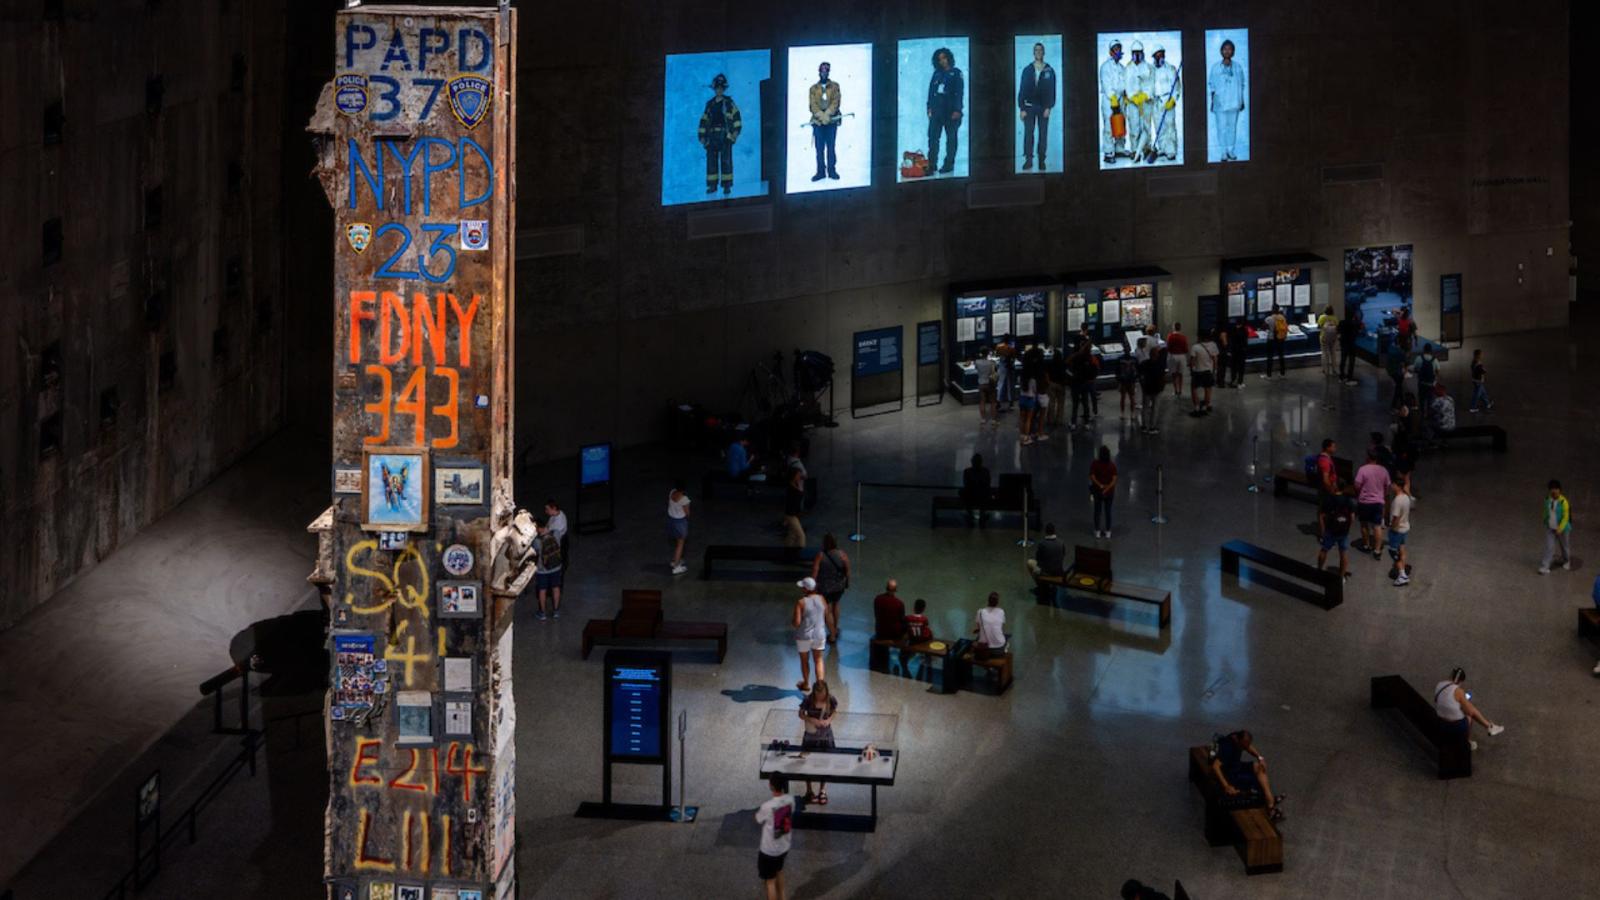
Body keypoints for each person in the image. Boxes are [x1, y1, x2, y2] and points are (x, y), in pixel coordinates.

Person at [1210, 730, 1284, 821]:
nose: (1245, 748)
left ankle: (1269, 799)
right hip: (1229, 774)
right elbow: (1215, 766)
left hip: (1236, 765)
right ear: (1238, 741)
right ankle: (1270, 806)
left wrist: (1260, 757)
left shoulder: (1237, 736)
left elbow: (1248, 747)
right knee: (1254, 781)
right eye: (1243, 746)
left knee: (1259, 767)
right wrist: (1226, 786)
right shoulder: (1228, 748)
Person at [1434, 668, 1506, 751]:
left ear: (1450, 676)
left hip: (1440, 721)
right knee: (1469, 713)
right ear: (1461, 681)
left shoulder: (1439, 684)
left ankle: (1489, 726)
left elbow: (1438, 700)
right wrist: (1464, 701)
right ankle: (1468, 740)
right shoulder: (1459, 691)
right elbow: (1470, 712)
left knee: (1462, 706)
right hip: (1453, 726)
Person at [698, 73, 742, 195]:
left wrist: (736, 131)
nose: (719, 90)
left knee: (726, 161)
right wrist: (702, 136)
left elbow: (736, 116)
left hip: (725, 135)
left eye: (721, 88)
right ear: (714, 88)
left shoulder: (729, 102)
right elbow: (704, 120)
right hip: (712, 136)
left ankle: (727, 186)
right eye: (717, 88)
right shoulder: (710, 104)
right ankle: (712, 186)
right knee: (711, 161)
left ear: (724, 89)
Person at [797, 680, 838, 805]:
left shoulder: (830, 699)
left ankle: (822, 790)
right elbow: (800, 713)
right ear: (814, 693)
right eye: (818, 694)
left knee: (825, 761)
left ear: (826, 691)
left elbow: (835, 712)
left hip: (826, 735)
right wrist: (812, 719)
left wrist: (829, 720)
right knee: (806, 762)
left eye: (823, 694)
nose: (821, 696)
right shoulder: (809, 700)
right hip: (811, 735)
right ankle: (809, 790)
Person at [1017, 42, 1056, 170]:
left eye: (1040, 50)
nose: (1038, 52)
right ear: (1033, 53)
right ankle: (1028, 160)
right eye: (1036, 50)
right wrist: (1022, 108)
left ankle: (1041, 160)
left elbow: (1052, 90)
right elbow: (1022, 89)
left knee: (1043, 134)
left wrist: (1049, 107)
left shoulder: (1049, 70)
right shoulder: (1027, 70)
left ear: (1043, 52)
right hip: (1029, 106)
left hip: (1043, 108)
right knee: (1029, 134)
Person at [755, 775, 795, 900]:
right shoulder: (791, 800)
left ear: (771, 786)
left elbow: (758, 819)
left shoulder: (767, 806)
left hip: (769, 851)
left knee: (770, 881)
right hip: (784, 847)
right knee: (779, 871)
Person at [926, 47, 964, 175]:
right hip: (936, 111)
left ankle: (949, 164)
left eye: (944, 58)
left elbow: (959, 93)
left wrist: (957, 110)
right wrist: (929, 108)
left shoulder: (956, 73)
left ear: (949, 58)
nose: (942, 61)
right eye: (939, 59)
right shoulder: (936, 74)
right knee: (933, 138)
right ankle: (931, 165)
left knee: (951, 139)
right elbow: (931, 92)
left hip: (951, 112)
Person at [1207, 37, 1246, 161]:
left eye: (1230, 49)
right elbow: (1211, 85)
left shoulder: (1238, 68)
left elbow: (1242, 85)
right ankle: (1223, 152)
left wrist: (1242, 101)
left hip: (1234, 102)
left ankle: (1231, 150)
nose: (1227, 51)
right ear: (1221, 51)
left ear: (1233, 52)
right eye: (1225, 49)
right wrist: (1213, 102)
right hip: (1220, 104)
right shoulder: (1215, 68)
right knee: (1221, 128)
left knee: (1232, 127)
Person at [810, 534, 851, 641]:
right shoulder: (842, 554)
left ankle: (832, 635)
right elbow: (847, 571)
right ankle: (835, 628)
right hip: (839, 586)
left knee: (826, 609)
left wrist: (812, 586)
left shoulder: (820, 555)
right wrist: (847, 583)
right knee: (836, 604)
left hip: (825, 588)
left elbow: (815, 571)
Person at [1353, 448, 1391, 559]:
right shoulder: (1384, 470)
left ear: (1368, 457)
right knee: (1377, 526)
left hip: (1364, 502)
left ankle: (1366, 545)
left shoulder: (1362, 469)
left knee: (1364, 524)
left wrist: (1359, 494)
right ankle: (1377, 550)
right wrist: (1383, 496)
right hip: (1378, 502)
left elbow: (1356, 485)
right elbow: (1387, 487)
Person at [792, 577, 828, 692]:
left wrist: (793, 621)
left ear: (806, 589)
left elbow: (796, 623)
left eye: (803, 587)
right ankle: (820, 687)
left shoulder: (801, 602)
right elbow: (826, 613)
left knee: (804, 660)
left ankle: (806, 683)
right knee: (818, 660)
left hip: (804, 636)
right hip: (819, 634)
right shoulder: (822, 599)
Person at [807, 62, 841, 181]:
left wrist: (828, 115)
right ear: (819, 72)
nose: (824, 72)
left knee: (831, 147)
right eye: (822, 70)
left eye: (826, 70)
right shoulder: (813, 89)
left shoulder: (835, 86)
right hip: (818, 123)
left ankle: (832, 171)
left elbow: (836, 102)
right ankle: (820, 171)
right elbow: (813, 105)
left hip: (831, 122)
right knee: (819, 148)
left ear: (829, 72)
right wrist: (821, 116)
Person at [1148, 45, 1180, 161]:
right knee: (1158, 126)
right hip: (1155, 101)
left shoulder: (1171, 69)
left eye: (1162, 54)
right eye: (1157, 55)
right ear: (1153, 57)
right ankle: (1162, 148)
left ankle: (1171, 151)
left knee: (1169, 126)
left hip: (1167, 100)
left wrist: (1173, 99)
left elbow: (1177, 87)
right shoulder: (1150, 70)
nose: (1160, 57)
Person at [1123, 41, 1153, 162]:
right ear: (1131, 54)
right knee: (1134, 126)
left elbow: (1150, 84)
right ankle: (1135, 150)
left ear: (1143, 53)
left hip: (1145, 102)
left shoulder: (1148, 67)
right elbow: (1126, 85)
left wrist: (1145, 95)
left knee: (1146, 127)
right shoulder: (1128, 68)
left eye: (1139, 53)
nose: (1137, 55)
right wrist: (1132, 97)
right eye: (1134, 53)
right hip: (1132, 103)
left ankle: (1146, 149)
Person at [1099, 39, 1128, 164]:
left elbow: (1125, 83)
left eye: (1119, 49)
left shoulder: (1122, 67)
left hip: (1121, 98)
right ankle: (1108, 152)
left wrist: (1126, 95)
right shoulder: (1105, 67)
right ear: (1110, 52)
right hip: (1109, 99)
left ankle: (1119, 149)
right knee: (1109, 126)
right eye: (1115, 49)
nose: (1118, 51)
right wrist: (1113, 99)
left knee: (1121, 123)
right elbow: (1106, 84)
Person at [1316, 490, 1354, 580]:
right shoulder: (1348, 500)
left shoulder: (1328, 499)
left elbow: (1321, 516)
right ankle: (1341, 577)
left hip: (1330, 530)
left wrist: (1322, 531)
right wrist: (1347, 529)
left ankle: (1319, 570)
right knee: (1343, 553)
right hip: (1343, 531)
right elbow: (1352, 517)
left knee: (1324, 550)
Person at [533, 517, 565, 620]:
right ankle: (556, 611)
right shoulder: (555, 534)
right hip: (556, 567)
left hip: (542, 570)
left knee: (542, 590)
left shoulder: (537, 541)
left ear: (538, 528)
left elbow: (535, 552)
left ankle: (542, 613)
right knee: (556, 588)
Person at [1540, 479, 1573, 575]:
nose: (1554, 491)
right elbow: (1546, 511)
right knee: (1549, 547)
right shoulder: (1547, 499)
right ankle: (1545, 566)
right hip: (1550, 527)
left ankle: (1567, 560)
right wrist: (1545, 520)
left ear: (1560, 490)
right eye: (1552, 489)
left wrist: (1561, 528)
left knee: (1564, 546)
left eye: (1556, 489)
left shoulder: (1564, 502)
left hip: (1562, 529)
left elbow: (1566, 517)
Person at [1389, 472, 1413, 586]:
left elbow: (1396, 518)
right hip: (1405, 528)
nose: (1391, 486)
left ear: (1397, 486)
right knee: (1402, 549)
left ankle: (1402, 575)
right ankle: (1402, 568)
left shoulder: (1398, 500)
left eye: (1392, 484)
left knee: (1393, 552)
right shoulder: (1406, 497)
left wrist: (1392, 528)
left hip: (1397, 530)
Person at [1138, 339, 1167, 434]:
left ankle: (1144, 426)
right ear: (1157, 355)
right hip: (1157, 389)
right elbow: (1162, 377)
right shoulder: (1160, 365)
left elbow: (1140, 376)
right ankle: (1152, 427)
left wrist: (1143, 386)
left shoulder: (1144, 364)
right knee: (1155, 408)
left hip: (1147, 389)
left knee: (1145, 408)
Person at [1090, 446, 1118, 538]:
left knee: (1097, 511)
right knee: (1108, 511)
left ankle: (1097, 531)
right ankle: (1108, 531)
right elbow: (1114, 480)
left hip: (1097, 491)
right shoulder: (1112, 465)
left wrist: (1099, 485)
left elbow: (1092, 477)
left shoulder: (1095, 464)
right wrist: (1107, 488)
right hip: (1109, 493)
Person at [1188, 329, 1218, 414]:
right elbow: (1215, 360)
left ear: (1200, 337)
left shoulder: (1195, 347)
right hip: (1208, 371)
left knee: (1194, 389)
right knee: (1208, 389)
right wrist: (1214, 371)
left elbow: (1192, 361)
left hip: (1197, 371)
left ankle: (1197, 407)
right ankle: (1205, 406)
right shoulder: (1213, 345)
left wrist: (1191, 370)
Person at [1068, 342, 1095, 430]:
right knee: (1085, 403)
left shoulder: (1076, 357)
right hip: (1085, 382)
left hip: (1076, 382)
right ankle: (1086, 423)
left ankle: (1073, 423)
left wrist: (1071, 376)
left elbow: (1067, 363)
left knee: (1075, 404)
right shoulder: (1088, 358)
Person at [973, 592, 1007, 659]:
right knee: (1005, 638)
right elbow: (1000, 628)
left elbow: (978, 627)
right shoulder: (1001, 612)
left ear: (988, 600)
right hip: (999, 649)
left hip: (983, 648)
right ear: (997, 602)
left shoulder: (980, 612)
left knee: (977, 638)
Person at [666, 481, 691, 575]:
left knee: (676, 543)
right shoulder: (685, 499)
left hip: (671, 521)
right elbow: (687, 513)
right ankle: (676, 567)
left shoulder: (672, 492)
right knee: (680, 544)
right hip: (680, 523)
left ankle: (675, 561)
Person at [782, 463, 807, 549]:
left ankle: (786, 550)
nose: (800, 476)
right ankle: (801, 554)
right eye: (798, 475)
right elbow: (791, 502)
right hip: (791, 515)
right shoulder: (791, 488)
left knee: (791, 534)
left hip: (794, 514)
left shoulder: (796, 484)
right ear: (793, 476)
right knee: (801, 536)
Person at [962, 453, 992, 525]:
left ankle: (970, 515)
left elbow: (966, 483)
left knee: (965, 493)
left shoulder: (967, 471)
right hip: (980, 494)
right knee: (984, 494)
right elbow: (987, 483)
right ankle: (981, 515)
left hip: (972, 493)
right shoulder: (985, 471)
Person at [973, 346, 997, 428]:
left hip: (981, 383)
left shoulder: (977, 362)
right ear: (988, 353)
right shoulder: (991, 363)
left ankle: (983, 419)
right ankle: (993, 420)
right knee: (993, 402)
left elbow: (976, 368)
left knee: (982, 401)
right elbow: (993, 373)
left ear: (980, 353)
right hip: (990, 383)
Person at [1338, 307, 1362, 384]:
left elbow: (1338, 330)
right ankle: (1349, 377)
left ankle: (1341, 376)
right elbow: (1358, 331)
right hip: (1351, 344)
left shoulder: (1341, 323)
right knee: (1351, 361)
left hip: (1344, 343)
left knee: (1343, 360)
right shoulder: (1354, 324)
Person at [1046, 347, 1068, 428]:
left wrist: (1048, 382)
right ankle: (1059, 420)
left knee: (1051, 403)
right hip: (1061, 385)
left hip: (1052, 384)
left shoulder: (1050, 363)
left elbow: (1047, 374)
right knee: (1060, 404)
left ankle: (1050, 420)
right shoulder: (1063, 364)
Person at [1263, 306, 1288, 377]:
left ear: (1272, 310)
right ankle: (1282, 373)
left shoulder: (1269, 318)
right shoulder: (1282, 318)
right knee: (1281, 356)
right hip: (1280, 338)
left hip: (1271, 339)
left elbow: (1264, 327)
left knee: (1270, 356)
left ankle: (1269, 375)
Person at [1164, 322, 1189, 396]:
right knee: (1181, 374)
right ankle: (1180, 390)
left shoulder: (1170, 336)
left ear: (1174, 327)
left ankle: (1175, 390)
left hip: (1173, 356)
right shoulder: (1183, 337)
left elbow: (1168, 347)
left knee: (1174, 374)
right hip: (1181, 356)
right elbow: (1186, 349)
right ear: (1180, 328)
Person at [1116, 349, 1140, 417]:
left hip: (1124, 381)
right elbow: (1137, 369)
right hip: (1130, 380)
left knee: (1123, 397)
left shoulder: (1120, 359)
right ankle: (1131, 413)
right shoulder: (1134, 359)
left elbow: (1117, 371)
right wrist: (1136, 377)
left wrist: (1118, 379)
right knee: (1131, 397)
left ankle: (1123, 413)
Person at [1316, 306, 1339, 376]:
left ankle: (1325, 370)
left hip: (1324, 337)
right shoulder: (1335, 318)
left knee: (1324, 353)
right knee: (1333, 353)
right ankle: (1334, 369)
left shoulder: (1322, 317)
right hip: (1333, 338)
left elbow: (1319, 326)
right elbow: (1337, 327)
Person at [1228, 318, 1250, 387]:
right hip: (1241, 351)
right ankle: (1240, 382)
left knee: (1234, 367)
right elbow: (1245, 340)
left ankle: (1233, 381)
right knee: (1241, 367)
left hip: (1234, 351)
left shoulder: (1232, 329)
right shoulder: (1244, 330)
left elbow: (1231, 340)